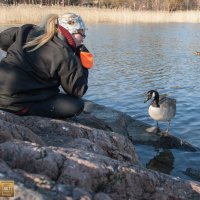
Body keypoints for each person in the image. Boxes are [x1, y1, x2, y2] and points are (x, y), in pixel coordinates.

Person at [0, 13, 93, 118]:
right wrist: (84, 63)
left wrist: (18, 54)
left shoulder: (28, 29)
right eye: (82, 33)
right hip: (15, 103)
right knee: (77, 105)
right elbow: (78, 91)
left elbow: (3, 38)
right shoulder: (65, 54)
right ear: (71, 32)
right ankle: (23, 110)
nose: (83, 38)